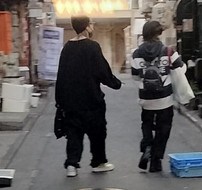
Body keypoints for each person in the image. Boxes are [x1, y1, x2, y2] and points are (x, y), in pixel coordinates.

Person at [54, 15, 122, 177]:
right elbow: (102, 71)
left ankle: (72, 164)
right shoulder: (92, 47)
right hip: (91, 99)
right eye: (91, 23)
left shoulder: (67, 48)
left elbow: (61, 75)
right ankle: (98, 162)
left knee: (73, 133)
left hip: (70, 101)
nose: (93, 26)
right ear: (86, 27)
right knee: (97, 132)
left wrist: (60, 101)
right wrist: (115, 83)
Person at [131, 20, 185, 173]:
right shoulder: (167, 51)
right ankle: (156, 160)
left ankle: (147, 144)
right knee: (164, 128)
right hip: (164, 97)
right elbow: (180, 68)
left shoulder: (136, 53)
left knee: (146, 123)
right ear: (158, 33)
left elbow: (135, 76)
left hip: (145, 97)